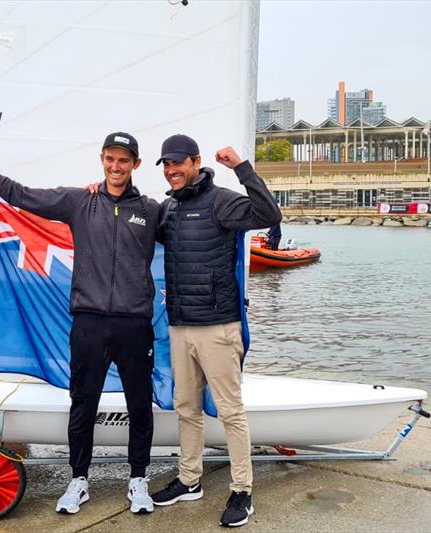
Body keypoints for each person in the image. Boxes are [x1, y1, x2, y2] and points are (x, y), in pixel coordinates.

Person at [0, 132, 159, 515]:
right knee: (82, 402)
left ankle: (138, 479)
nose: (116, 167)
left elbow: (191, 238)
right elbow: (21, 195)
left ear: (135, 165)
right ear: (101, 159)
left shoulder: (150, 210)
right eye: (110, 159)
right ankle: (78, 479)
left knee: (139, 405)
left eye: (124, 161)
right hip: (89, 323)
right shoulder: (79, 201)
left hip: (134, 325)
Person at [150, 134, 282, 528]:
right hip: (179, 326)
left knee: (230, 412)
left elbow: (268, 213)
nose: (173, 171)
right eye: (167, 165)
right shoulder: (169, 209)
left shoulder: (222, 200)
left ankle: (242, 490)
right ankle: (190, 480)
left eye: (178, 163)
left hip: (219, 327)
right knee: (186, 408)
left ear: (195, 162)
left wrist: (241, 168)